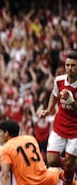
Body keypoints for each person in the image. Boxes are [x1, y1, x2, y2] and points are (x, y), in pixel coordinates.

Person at [0, 119, 77, 185]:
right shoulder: (30, 138)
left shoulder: (6, 148)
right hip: (45, 180)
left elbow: (5, 175)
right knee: (58, 172)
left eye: (0, 132)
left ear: (6, 133)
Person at [38, 51, 77, 185]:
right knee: (51, 160)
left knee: (69, 161)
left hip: (75, 130)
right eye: (67, 65)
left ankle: (69, 178)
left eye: (73, 65)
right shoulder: (59, 80)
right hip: (60, 125)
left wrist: (71, 101)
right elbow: (54, 95)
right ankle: (68, 168)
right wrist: (49, 110)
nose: (69, 68)